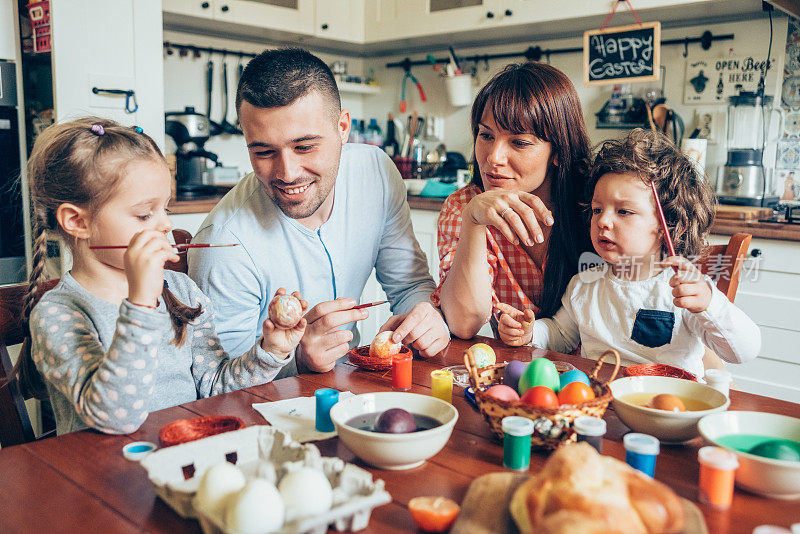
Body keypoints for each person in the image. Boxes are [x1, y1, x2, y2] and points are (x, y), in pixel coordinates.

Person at [9, 118, 306, 435]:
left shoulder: (181, 289)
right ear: (77, 221)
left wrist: (270, 350)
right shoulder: (59, 314)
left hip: (181, 458)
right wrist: (141, 305)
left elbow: (214, 387)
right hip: (103, 475)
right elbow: (115, 417)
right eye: (143, 213)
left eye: (165, 208)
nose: (165, 224)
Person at [188, 48, 449, 376]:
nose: (287, 172)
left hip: (356, 388)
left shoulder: (377, 172)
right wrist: (297, 360)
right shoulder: (223, 244)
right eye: (265, 151)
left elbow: (410, 285)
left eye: (304, 146)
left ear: (343, 127)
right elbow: (217, 382)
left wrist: (424, 318)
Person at [499, 129, 760, 378]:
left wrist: (710, 304)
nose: (603, 221)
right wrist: (530, 332)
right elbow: (560, 335)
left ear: (666, 225)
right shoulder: (584, 284)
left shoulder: (685, 290)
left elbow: (743, 351)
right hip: (601, 404)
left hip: (667, 409)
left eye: (623, 211)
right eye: (597, 209)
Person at [432, 62, 594, 338]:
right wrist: (473, 221)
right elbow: (463, 323)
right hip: (512, 370)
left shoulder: (594, 205)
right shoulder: (463, 206)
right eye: (486, 135)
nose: (493, 157)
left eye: (519, 142)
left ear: (558, 151)